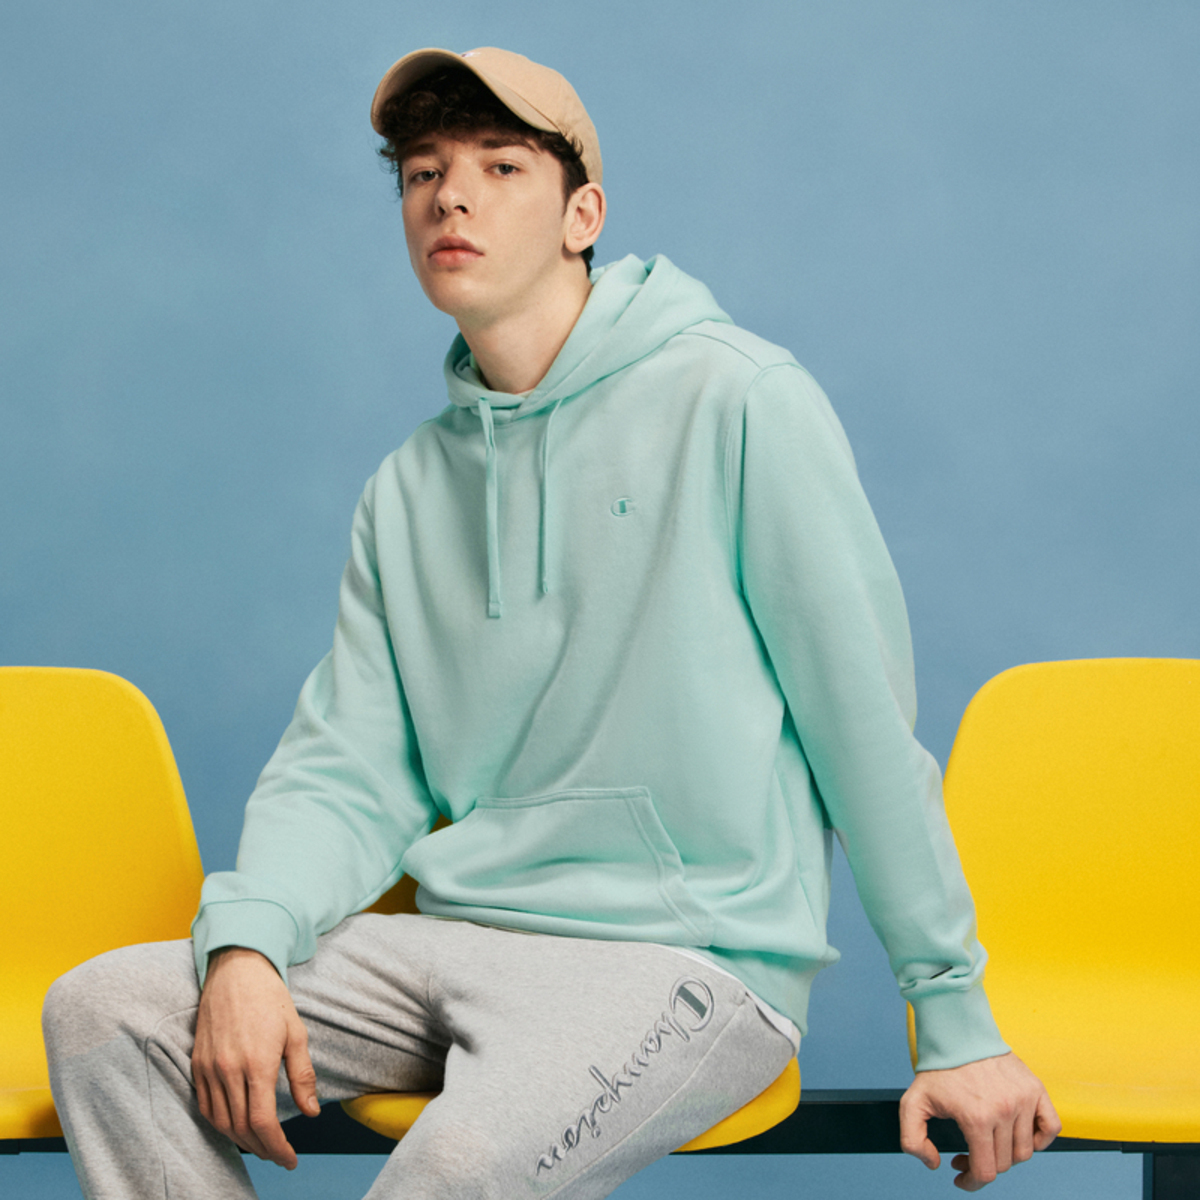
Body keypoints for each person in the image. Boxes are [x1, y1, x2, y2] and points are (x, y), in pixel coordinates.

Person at [43, 46, 1060, 1199]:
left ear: (584, 216)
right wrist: (247, 944)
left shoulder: (738, 401)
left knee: (458, 1167)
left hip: (685, 960)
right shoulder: (408, 488)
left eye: (500, 166)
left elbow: (860, 731)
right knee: (104, 1015)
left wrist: (955, 1018)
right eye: (423, 173)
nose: (451, 197)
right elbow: (349, 769)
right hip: (457, 939)